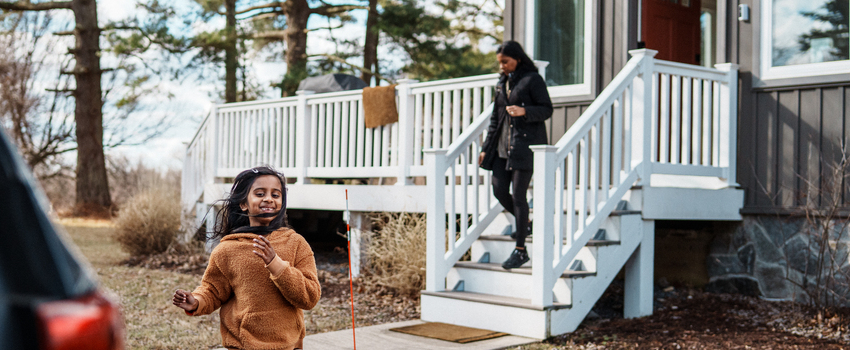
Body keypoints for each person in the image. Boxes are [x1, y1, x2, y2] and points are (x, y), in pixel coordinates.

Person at [172, 166, 320, 350]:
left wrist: (277, 265)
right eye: (259, 193)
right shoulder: (227, 250)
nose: (268, 199)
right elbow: (213, 290)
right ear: (243, 203)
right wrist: (195, 301)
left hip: (288, 345)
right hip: (242, 344)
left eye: (276, 195)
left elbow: (310, 297)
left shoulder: (296, 243)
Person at [478, 41, 553, 270]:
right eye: (500, 63)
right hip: (501, 149)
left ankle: (521, 251)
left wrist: (525, 111)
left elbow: (547, 109)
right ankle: (525, 223)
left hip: (524, 146)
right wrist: (485, 147)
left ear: (517, 58)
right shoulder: (502, 83)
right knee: (499, 190)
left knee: (519, 196)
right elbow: (495, 119)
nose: (502, 66)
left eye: (505, 62)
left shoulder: (533, 80)